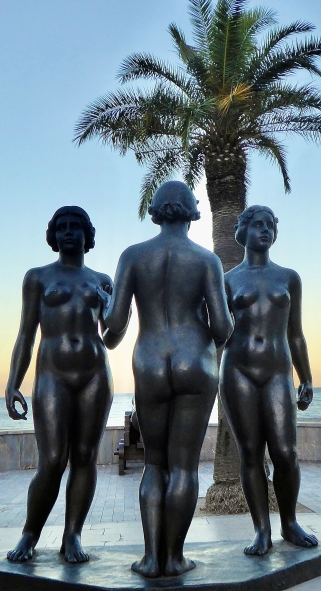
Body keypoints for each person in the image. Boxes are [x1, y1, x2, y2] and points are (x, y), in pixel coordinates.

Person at [99, 181, 233, 577]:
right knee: (185, 468)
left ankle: (150, 558)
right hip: (197, 361)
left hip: (151, 362)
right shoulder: (207, 260)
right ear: (193, 211)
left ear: (156, 211)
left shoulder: (133, 257)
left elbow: (113, 328)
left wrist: (104, 301)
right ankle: (174, 558)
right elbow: (223, 329)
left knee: (154, 466)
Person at [4, 206, 125, 564]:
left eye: (75, 227)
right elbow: (26, 335)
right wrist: (13, 383)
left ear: (88, 235)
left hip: (94, 375)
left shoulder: (102, 280)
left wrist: (112, 306)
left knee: (85, 457)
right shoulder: (37, 277)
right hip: (52, 375)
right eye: (62, 227)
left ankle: (72, 536)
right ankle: (30, 534)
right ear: (53, 235)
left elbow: (113, 338)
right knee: (53, 460)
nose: (68, 232)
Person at [220, 205, 318, 556]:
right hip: (238, 371)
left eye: (270, 226)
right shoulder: (227, 280)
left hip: (278, 371)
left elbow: (296, 335)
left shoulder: (289, 278)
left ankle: (288, 523)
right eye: (257, 224)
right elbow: (215, 330)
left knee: (286, 453)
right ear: (243, 232)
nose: (264, 230)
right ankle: (261, 529)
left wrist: (306, 377)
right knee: (250, 454)